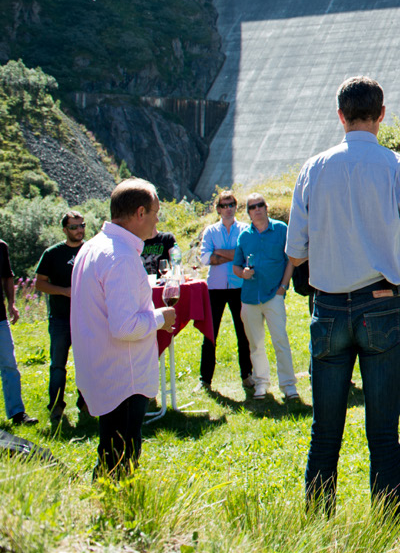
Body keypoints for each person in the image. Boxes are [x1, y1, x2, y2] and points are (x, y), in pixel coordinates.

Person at [285, 76, 400, 521]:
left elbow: (295, 251)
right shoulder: (399, 167)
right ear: (382, 115)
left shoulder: (313, 168)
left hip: (329, 306)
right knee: (383, 432)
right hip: (380, 302)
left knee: (325, 431)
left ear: (340, 115)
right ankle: (386, 527)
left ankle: (318, 522)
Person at [71, 179, 176, 476]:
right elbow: (125, 326)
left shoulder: (94, 247)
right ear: (140, 212)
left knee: (110, 450)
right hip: (123, 375)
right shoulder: (121, 257)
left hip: (102, 366)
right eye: (156, 211)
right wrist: (161, 318)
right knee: (122, 457)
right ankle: (118, 516)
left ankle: (106, 509)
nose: (158, 219)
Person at [233, 194, 298, 401]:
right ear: (249, 212)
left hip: (273, 294)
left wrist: (283, 286)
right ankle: (261, 383)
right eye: (253, 207)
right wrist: (243, 273)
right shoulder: (244, 236)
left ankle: (288, 386)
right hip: (250, 297)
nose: (257, 209)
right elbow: (236, 265)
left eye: (260, 205)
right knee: (255, 344)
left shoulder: (281, 230)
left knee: (280, 340)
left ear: (266, 208)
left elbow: (291, 260)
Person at [34, 210, 88, 423]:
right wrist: (64, 291)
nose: (79, 230)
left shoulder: (90, 250)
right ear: (65, 230)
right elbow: (40, 283)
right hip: (60, 318)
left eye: (81, 225)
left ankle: (86, 404)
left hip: (86, 318)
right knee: (58, 365)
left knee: (87, 362)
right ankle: (56, 407)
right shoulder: (52, 253)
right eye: (74, 227)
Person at [198, 190, 253, 392]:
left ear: (235, 207)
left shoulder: (245, 229)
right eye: (224, 205)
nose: (228, 209)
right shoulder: (210, 231)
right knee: (210, 334)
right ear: (218, 209)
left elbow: (246, 256)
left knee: (243, 333)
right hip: (215, 289)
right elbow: (204, 259)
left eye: (231, 205)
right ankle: (205, 380)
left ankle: (247, 376)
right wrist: (233, 255)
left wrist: (218, 252)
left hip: (239, 287)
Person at [0, 236, 36, 426]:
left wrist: (12, 304)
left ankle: (17, 413)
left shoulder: (1, 246)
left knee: (10, 366)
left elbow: (7, 276)